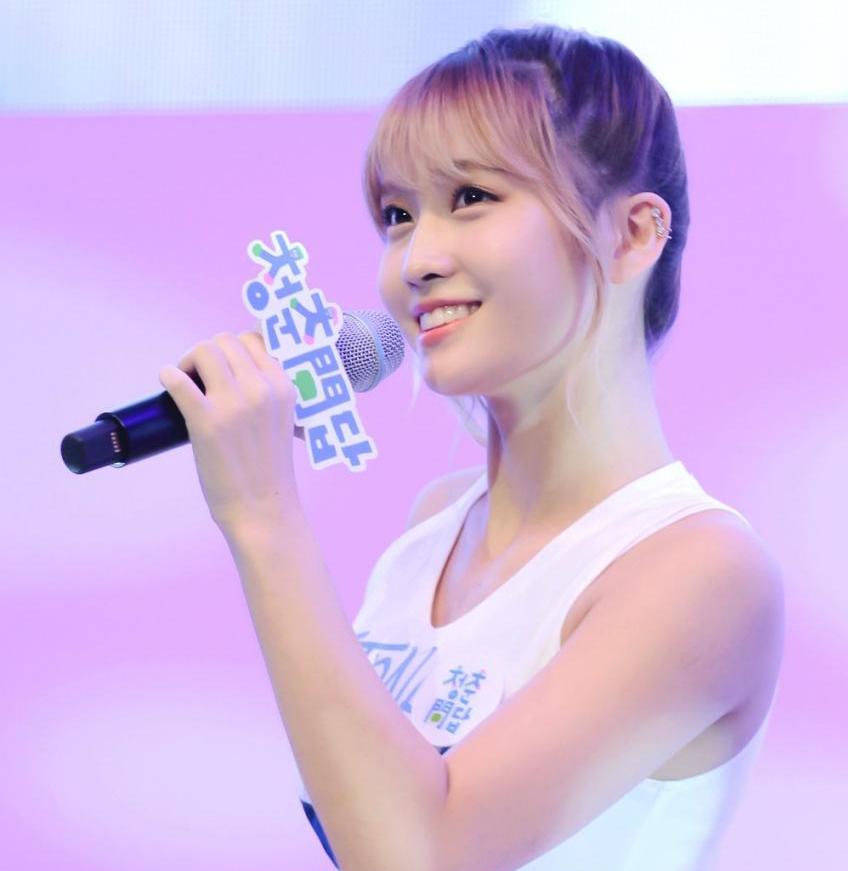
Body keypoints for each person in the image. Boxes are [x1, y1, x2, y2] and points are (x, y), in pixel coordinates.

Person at [161, 23, 784, 871]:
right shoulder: (434, 530)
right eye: (397, 215)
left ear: (634, 234)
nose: (417, 259)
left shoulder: (702, 572)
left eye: (472, 198)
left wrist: (264, 515)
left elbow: (425, 854)